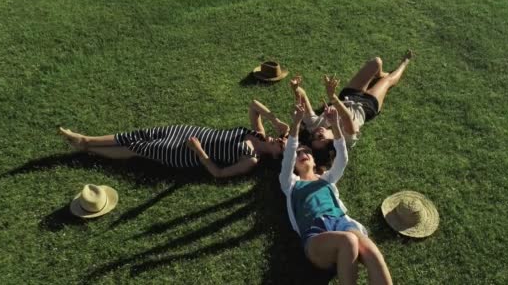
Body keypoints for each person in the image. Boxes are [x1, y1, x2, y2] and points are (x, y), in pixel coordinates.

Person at [279, 104, 393, 284]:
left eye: (307, 151)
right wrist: (296, 123)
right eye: (299, 153)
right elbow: (288, 155)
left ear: (314, 159)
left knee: (373, 252)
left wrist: (336, 125)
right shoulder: (290, 184)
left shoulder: (327, 179)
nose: (304, 154)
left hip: (341, 222)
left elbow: (343, 157)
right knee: (348, 240)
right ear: (294, 164)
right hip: (314, 231)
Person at [59, 100, 288, 178]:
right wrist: (275, 120)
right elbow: (254, 105)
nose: (279, 140)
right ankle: (86, 139)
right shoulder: (258, 133)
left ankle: (87, 148)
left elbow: (218, 173)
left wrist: (199, 151)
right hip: (185, 131)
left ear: (277, 157)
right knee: (138, 135)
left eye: (281, 146)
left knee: (136, 148)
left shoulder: (252, 159)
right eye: (282, 139)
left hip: (183, 151)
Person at [290, 50, 414, 150]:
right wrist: (332, 98)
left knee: (376, 62)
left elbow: (303, 100)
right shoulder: (345, 140)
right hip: (367, 106)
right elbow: (347, 116)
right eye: (320, 137)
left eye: (314, 136)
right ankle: (404, 63)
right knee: (387, 81)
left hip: (348, 96)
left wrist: (296, 88)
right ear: (330, 144)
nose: (318, 133)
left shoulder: (314, 126)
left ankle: (379, 73)